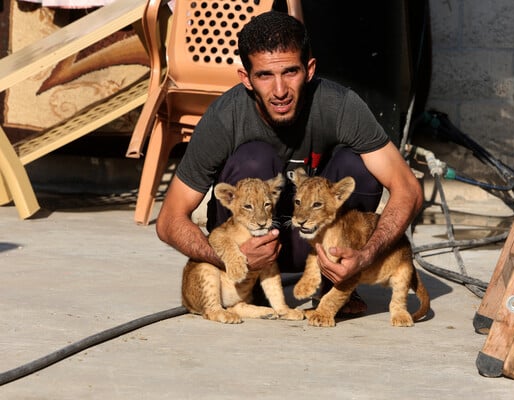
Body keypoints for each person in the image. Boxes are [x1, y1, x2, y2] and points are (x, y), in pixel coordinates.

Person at [156, 11, 423, 315]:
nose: (280, 90)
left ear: (309, 70)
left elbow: (407, 188)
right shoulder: (224, 117)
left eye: (290, 72)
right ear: (246, 78)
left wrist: (366, 256)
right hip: (247, 246)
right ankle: (249, 289)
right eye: (265, 75)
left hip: (316, 244)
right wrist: (230, 258)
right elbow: (169, 220)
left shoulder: (340, 106)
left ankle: (335, 284)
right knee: (255, 158)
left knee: (357, 166)